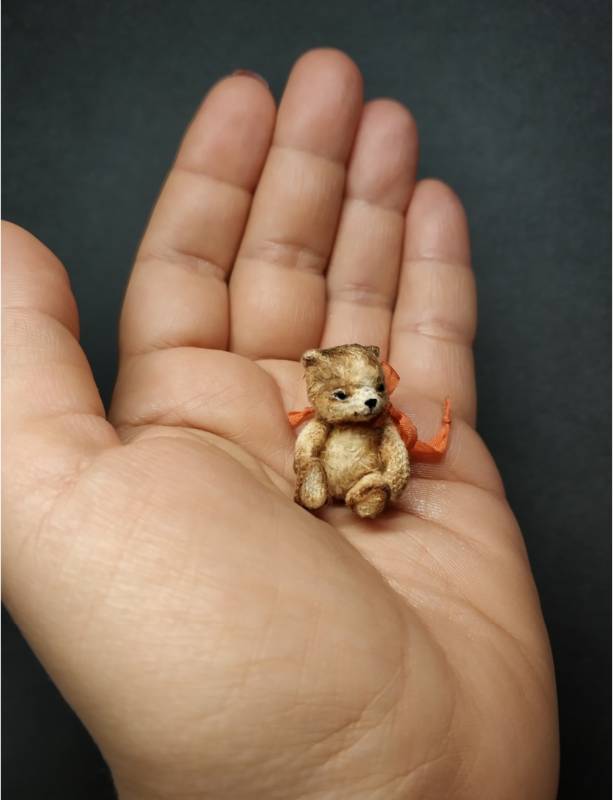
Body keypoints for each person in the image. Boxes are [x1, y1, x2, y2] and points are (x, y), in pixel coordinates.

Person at [3, 49, 559, 799]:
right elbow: (310, 440)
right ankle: (339, 492)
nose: (367, 404)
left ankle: (366, 495)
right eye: (351, 394)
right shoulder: (318, 417)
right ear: (320, 384)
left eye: (373, 391)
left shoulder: (382, 420)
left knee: (381, 469)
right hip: (329, 483)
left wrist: (392, 466)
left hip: (372, 480)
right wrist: (306, 471)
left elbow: (397, 446)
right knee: (328, 468)